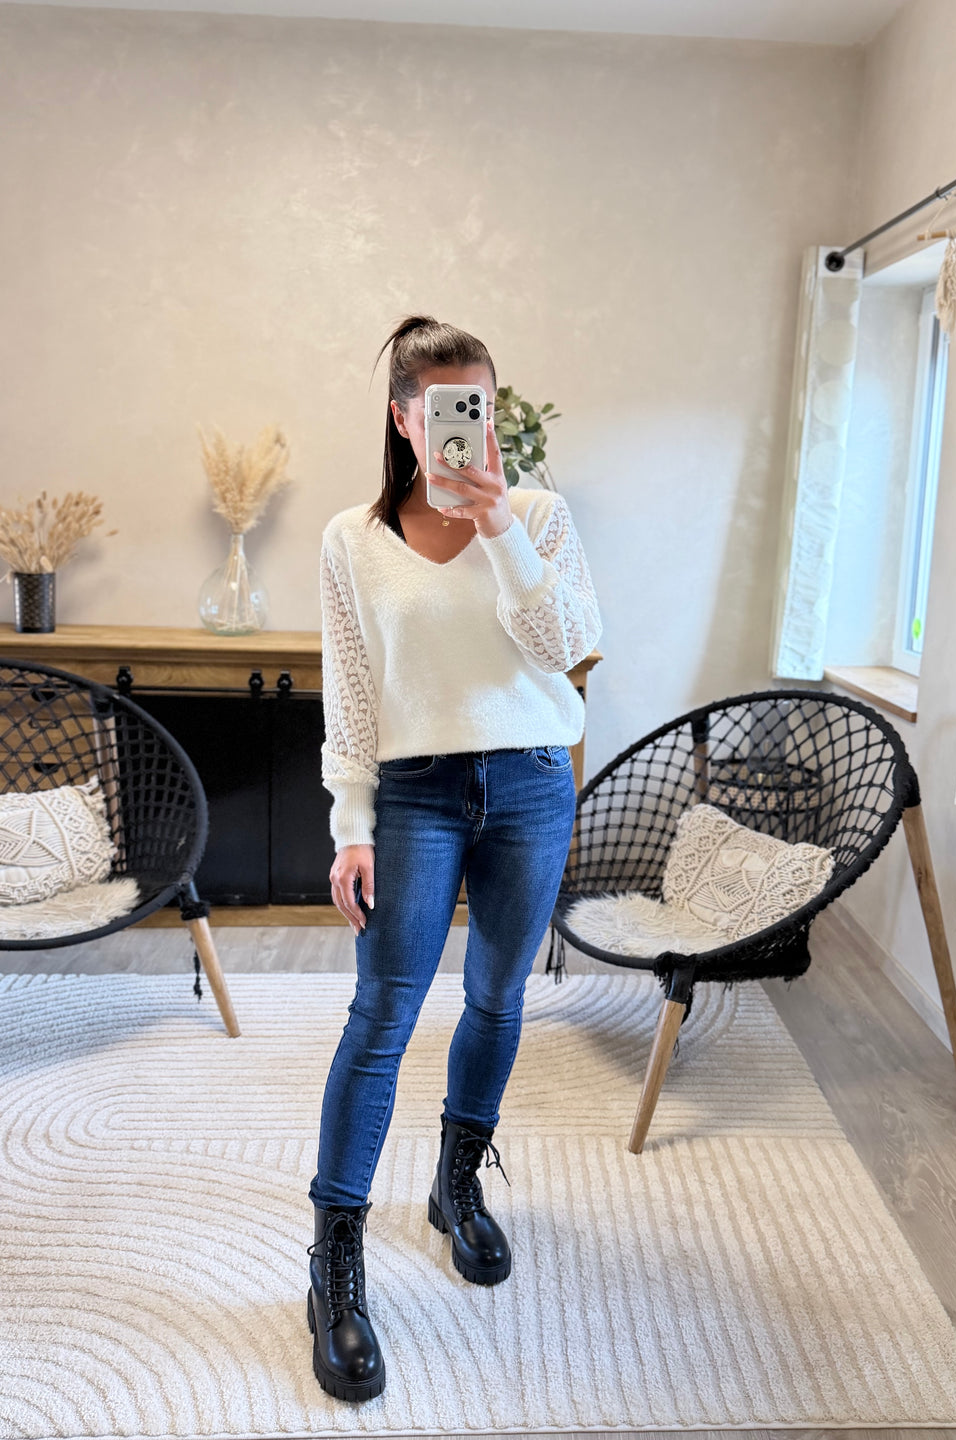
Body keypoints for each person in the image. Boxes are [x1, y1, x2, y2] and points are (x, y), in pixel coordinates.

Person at [306, 313, 603, 1402]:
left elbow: (567, 646)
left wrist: (499, 527)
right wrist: (350, 823)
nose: (461, 423)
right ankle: (335, 1259)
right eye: (439, 408)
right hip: (415, 793)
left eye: (477, 401)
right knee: (383, 1012)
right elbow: (350, 690)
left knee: (496, 997)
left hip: (530, 782)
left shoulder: (539, 517)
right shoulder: (350, 539)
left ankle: (456, 1183)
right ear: (404, 417)